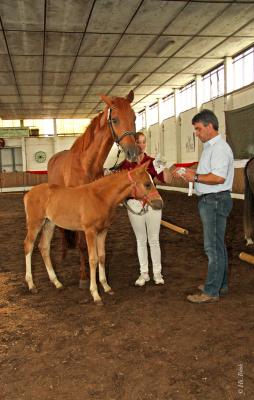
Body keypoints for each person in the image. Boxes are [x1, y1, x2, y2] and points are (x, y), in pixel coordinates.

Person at [175, 109, 234, 304]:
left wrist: (195, 177)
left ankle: (211, 291)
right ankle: (220, 284)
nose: (196, 133)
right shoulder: (211, 147)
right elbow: (210, 173)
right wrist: (192, 174)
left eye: (198, 129)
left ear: (210, 126)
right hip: (213, 200)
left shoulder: (219, 149)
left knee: (212, 248)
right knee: (218, 246)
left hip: (214, 200)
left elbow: (218, 178)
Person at [119, 132, 172, 287]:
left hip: (152, 203)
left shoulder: (152, 161)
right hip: (134, 205)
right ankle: (144, 273)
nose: (141, 145)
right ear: (133, 144)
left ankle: (157, 273)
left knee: (154, 239)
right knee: (141, 240)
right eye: (138, 142)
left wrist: (164, 163)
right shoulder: (126, 165)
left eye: (143, 142)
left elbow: (167, 180)